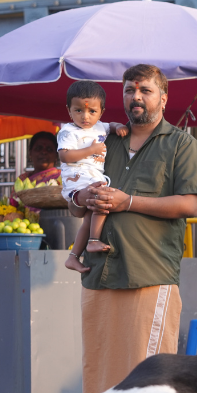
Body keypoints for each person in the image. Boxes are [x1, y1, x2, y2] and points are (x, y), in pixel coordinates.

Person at [69, 64, 197, 393]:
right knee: (99, 377)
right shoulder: (104, 142)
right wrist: (81, 196)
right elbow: (75, 205)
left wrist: (127, 202)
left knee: (147, 383)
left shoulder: (181, 144)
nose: (136, 97)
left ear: (163, 97)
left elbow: (190, 205)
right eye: (130, 90)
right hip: (98, 275)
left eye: (145, 90)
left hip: (148, 273)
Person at [56, 80, 130, 272]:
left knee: (90, 217)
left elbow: (110, 125)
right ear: (69, 110)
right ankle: (94, 240)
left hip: (91, 179)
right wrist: (91, 150)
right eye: (78, 110)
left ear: (101, 111)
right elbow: (64, 156)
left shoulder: (100, 127)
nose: (85, 116)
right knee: (103, 201)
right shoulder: (68, 131)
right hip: (78, 180)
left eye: (92, 111)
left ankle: (73, 256)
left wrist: (118, 127)